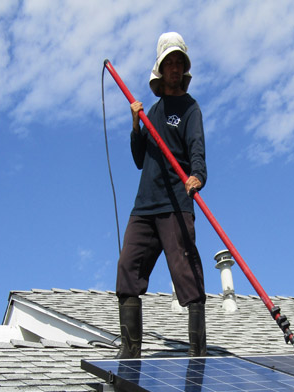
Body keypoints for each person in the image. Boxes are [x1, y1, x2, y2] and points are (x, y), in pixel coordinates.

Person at [115, 32, 207, 359]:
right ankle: (129, 354)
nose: (174, 67)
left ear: (184, 70)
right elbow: (140, 159)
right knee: (128, 268)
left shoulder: (189, 108)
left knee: (187, 275)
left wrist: (198, 175)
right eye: (169, 62)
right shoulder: (152, 112)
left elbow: (196, 146)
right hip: (144, 205)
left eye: (179, 62)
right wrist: (136, 125)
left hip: (175, 205)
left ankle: (198, 354)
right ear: (160, 68)